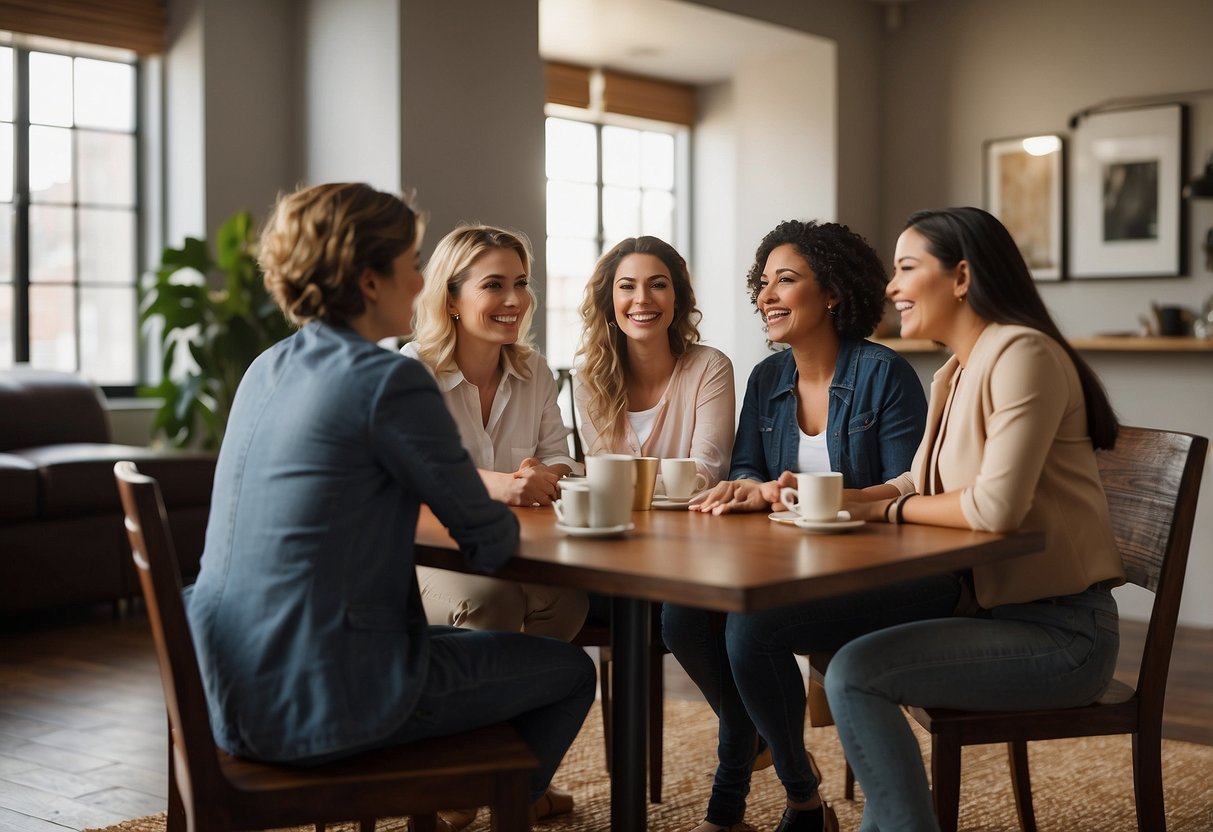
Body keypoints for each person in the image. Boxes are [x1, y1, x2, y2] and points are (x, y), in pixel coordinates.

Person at [184, 183, 596, 832]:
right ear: (369, 280)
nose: (422, 278)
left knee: (473, 638)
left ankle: (463, 789)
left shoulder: (268, 367)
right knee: (570, 672)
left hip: (229, 684)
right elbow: (486, 541)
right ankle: (489, 795)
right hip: (329, 693)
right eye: (411, 261)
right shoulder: (387, 379)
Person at [824, 207, 1124, 832]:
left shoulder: (1023, 354)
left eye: (907, 268)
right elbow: (921, 481)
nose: (891, 287)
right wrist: (842, 498)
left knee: (856, 672)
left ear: (961, 277)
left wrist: (886, 511)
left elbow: (994, 507)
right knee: (810, 629)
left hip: (1062, 636)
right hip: (983, 610)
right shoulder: (955, 371)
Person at [664, 220, 932, 832]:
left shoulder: (882, 374)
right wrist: (751, 487)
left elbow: (906, 496)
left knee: (749, 632)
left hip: (886, 574)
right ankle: (800, 793)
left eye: (786, 280)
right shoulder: (767, 379)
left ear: (832, 291)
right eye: (762, 283)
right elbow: (750, 469)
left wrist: (806, 495)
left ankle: (782, 804)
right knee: (681, 618)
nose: (766, 296)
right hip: (794, 564)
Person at [402, 224, 588, 635]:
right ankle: (483, 698)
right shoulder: (413, 370)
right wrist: (502, 486)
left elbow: (559, 456)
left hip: (510, 548)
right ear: (451, 298)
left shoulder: (533, 368)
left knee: (566, 601)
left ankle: (523, 700)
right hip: (424, 555)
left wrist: (546, 475)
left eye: (521, 284)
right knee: (490, 600)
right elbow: (415, 475)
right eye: (493, 285)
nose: (514, 300)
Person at [574, 235, 735, 486]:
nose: (642, 299)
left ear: (676, 298)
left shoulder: (710, 368)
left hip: (694, 524)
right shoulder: (589, 380)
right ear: (610, 301)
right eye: (627, 286)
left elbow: (707, 474)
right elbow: (602, 477)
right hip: (615, 523)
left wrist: (628, 484)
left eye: (657, 285)